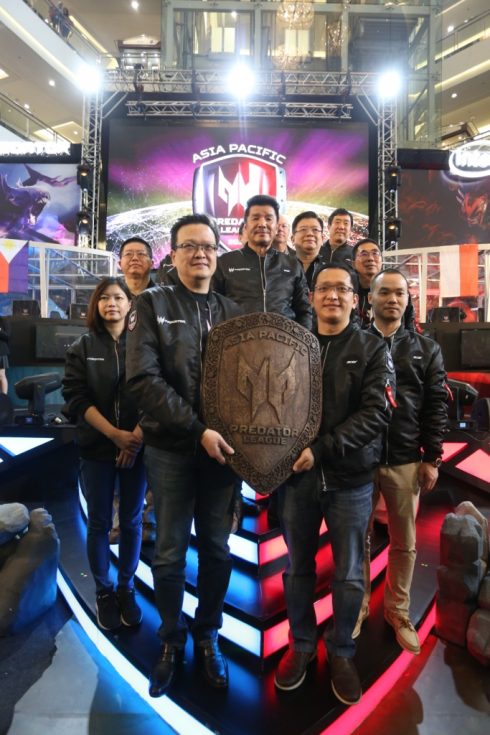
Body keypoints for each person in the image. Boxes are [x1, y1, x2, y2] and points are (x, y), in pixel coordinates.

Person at [125, 213, 241, 698]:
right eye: (190, 246)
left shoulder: (233, 312)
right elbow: (143, 380)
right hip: (172, 449)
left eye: (208, 246)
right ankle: (171, 640)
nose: (200, 253)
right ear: (172, 256)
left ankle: (207, 635)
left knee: (217, 550)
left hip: (223, 455)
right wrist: (198, 430)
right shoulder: (152, 303)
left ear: (217, 254)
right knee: (170, 553)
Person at [274, 263, 395, 705]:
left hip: (350, 480)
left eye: (341, 288)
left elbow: (377, 412)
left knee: (348, 574)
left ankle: (342, 650)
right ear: (312, 296)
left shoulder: (371, 348)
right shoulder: (292, 344)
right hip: (297, 480)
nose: (332, 295)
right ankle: (302, 644)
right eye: (324, 287)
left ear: (354, 299)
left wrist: (323, 449)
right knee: (297, 570)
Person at [353, 268, 448, 652]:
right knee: (356, 540)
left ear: (408, 301)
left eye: (399, 294)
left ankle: (398, 610)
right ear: (370, 299)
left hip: (406, 459)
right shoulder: (355, 343)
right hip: (359, 461)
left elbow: (436, 405)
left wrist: (432, 458)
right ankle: (358, 605)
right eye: (385, 293)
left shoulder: (427, 349)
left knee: (404, 543)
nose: (392, 299)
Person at [62, 277, 146, 632]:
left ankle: (126, 587)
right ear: (96, 305)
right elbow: (76, 399)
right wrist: (115, 435)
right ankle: (104, 591)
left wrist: (134, 439)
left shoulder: (143, 346)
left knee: (131, 521)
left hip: (138, 448)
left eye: (119, 297)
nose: (112, 303)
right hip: (96, 448)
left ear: (129, 304)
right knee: (99, 522)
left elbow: (156, 393)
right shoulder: (82, 347)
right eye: (105, 298)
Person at [213, 194, 312, 329]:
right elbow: (213, 309)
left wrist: (302, 340)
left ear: (276, 227)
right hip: (238, 340)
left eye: (268, 219)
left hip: (284, 340)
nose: (262, 224)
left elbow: (304, 311)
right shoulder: (224, 263)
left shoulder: (292, 265)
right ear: (246, 226)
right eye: (255, 218)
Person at [117, 236, 156, 544]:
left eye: (140, 254)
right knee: (120, 462)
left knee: (153, 464)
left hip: (154, 391)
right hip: (118, 390)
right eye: (128, 254)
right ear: (119, 262)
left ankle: (150, 521)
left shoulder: (162, 298)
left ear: (151, 262)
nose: (134, 259)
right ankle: (122, 521)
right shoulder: (111, 296)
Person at [291, 210, 327, 289]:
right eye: (303, 229)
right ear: (293, 239)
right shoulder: (280, 267)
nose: (310, 234)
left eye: (315, 230)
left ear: (322, 239)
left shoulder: (329, 270)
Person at [352, 238, 383, 327]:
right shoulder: (347, 292)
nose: (370, 258)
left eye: (375, 253)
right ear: (353, 264)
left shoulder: (394, 289)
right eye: (364, 254)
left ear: (381, 261)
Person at [0, 316, 10, 395]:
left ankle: (4, 398)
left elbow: (8, 336)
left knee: (1, 375)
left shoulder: (3, 321)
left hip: (1, 352)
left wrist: (0, 330)